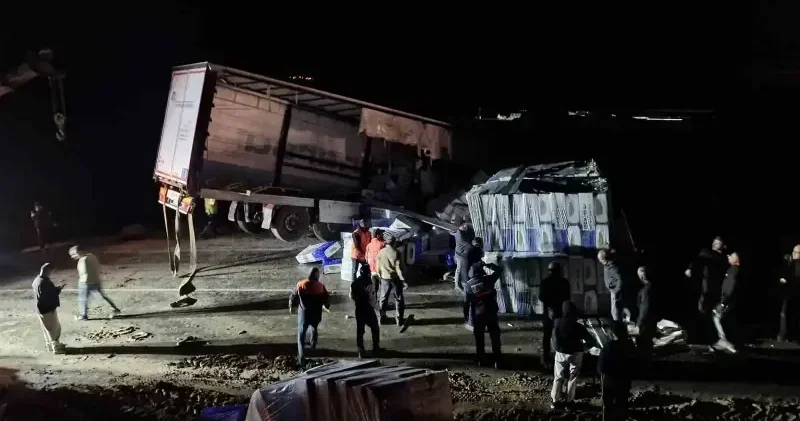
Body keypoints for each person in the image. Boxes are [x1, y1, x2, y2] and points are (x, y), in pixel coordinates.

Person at [551, 301, 594, 410]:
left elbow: (554, 339)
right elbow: (591, 341)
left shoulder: (557, 322)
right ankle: (569, 402)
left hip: (560, 353)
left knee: (558, 376)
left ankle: (555, 401)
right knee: (573, 377)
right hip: (575, 354)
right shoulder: (578, 326)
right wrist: (584, 349)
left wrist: (556, 349)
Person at [685, 237, 729, 343]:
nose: (714, 244)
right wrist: (690, 268)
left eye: (717, 243)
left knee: (714, 315)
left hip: (719, 289)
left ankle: (715, 338)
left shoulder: (724, 258)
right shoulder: (708, 253)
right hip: (707, 288)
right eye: (714, 242)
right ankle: (700, 337)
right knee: (703, 311)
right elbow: (697, 259)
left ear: (723, 245)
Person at [465, 260, 504, 368]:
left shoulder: (469, 285)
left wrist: (466, 316)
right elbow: (500, 270)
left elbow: (466, 302)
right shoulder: (489, 280)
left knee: (479, 339)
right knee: (495, 337)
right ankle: (498, 360)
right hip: (491, 312)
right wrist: (490, 265)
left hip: (478, 316)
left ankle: (482, 360)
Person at [289, 267, 331, 362]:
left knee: (301, 332)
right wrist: (326, 306)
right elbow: (327, 298)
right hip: (316, 313)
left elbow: (293, 296)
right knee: (314, 329)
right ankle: (313, 348)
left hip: (304, 313)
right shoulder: (320, 286)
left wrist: (291, 306)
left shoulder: (301, 284)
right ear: (317, 276)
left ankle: (301, 355)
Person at [70, 245, 120, 320]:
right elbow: (97, 267)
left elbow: (83, 273)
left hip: (86, 283)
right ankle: (114, 308)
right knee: (102, 296)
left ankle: (83, 316)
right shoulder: (92, 256)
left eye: (74, 254)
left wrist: (82, 283)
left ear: (79, 252)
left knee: (82, 299)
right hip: (96, 280)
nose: (72, 256)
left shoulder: (82, 260)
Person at [598, 322, 636, 421]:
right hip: (624, 379)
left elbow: (601, 366)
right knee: (622, 402)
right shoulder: (630, 346)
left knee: (608, 405)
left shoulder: (608, 347)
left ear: (613, 333)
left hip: (609, 380)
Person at [539, 261, 571, 369]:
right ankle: (561, 357)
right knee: (560, 334)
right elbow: (567, 298)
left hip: (549, 312)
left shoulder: (546, 282)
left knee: (547, 335)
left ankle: (546, 358)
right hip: (561, 312)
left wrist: (549, 307)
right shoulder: (564, 282)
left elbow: (541, 297)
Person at [32, 263, 66, 354]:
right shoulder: (44, 282)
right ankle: (56, 348)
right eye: (52, 272)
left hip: (41, 310)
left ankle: (50, 346)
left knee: (47, 329)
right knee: (53, 329)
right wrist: (57, 290)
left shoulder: (37, 280)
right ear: (49, 271)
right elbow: (48, 296)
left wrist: (58, 288)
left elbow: (46, 293)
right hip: (47, 310)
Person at [711, 252, 740, 353]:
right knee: (720, 318)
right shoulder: (734, 270)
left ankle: (725, 342)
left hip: (727, 299)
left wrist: (723, 302)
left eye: (731, 256)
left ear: (737, 259)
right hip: (729, 299)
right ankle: (724, 341)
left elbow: (730, 286)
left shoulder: (733, 270)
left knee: (716, 316)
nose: (728, 256)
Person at [350, 265, 380, 358]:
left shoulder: (354, 283)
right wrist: (380, 309)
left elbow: (351, 296)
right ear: (368, 273)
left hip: (358, 309)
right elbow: (372, 300)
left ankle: (360, 350)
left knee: (360, 330)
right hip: (368, 309)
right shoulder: (370, 284)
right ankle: (375, 348)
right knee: (375, 328)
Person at [376, 233, 406, 326]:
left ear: (386, 243)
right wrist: (403, 280)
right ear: (394, 243)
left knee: (383, 299)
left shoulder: (380, 252)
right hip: (395, 278)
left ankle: (381, 319)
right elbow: (400, 268)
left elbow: (377, 267)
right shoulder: (397, 253)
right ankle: (399, 320)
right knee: (398, 298)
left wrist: (380, 275)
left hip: (384, 278)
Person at [597, 249, 629, 321]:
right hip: (613, 290)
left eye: (600, 259)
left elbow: (620, 279)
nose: (599, 261)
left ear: (604, 259)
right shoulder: (607, 264)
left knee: (614, 311)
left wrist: (616, 291)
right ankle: (624, 319)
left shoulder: (612, 267)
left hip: (615, 291)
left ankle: (618, 325)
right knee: (617, 309)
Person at [777, 245, 800, 341]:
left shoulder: (797, 264)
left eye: (796, 252)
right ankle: (784, 335)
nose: (793, 254)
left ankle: (786, 335)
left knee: (788, 314)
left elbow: (796, 279)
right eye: (793, 252)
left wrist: (787, 281)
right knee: (785, 313)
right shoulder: (792, 263)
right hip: (790, 294)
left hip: (795, 293)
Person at [636, 266, 658, 358]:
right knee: (648, 345)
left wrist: (639, 324)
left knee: (643, 347)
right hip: (652, 320)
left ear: (642, 277)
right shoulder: (653, 287)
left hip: (646, 323)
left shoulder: (646, 291)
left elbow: (644, 309)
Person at [365, 228, 386, 299]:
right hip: (381, 270)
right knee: (383, 288)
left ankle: (374, 301)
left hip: (372, 271)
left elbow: (366, 258)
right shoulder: (382, 244)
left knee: (375, 288)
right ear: (377, 235)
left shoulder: (368, 245)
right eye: (381, 234)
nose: (382, 235)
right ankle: (382, 304)